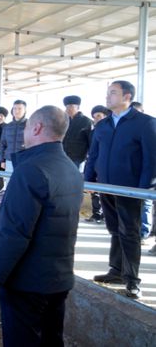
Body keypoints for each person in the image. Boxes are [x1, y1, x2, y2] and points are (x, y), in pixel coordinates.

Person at [0, 105, 83, 347]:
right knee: (51, 339)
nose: (24, 130)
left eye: (26, 126)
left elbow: (13, 233)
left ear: (37, 127)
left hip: (28, 281)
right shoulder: (71, 170)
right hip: (58, 277)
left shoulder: (30, 170)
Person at [84, 81, 156, 299]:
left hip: (130, 189)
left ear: (127, 96)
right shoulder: (103, 125)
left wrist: (142, 189)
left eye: (112, 93)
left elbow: (151, 160)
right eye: (108, 93)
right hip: (106, 187)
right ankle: (116, 271)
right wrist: (88, 181)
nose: (108, 97)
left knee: (130, 233)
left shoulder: (145, 123)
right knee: (114, 229)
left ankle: (132, 280)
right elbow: (93, 155)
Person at [129, 101, 154, 244]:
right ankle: (136, 231)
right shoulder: (131, 129)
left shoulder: (149, 125)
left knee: (146, 204)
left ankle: (144, 233)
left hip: (149, 176)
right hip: (135, 175)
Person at [84, 105, 111, 224]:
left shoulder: (112, 130)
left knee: (108, 193)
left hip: (108, 167)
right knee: (94, 191)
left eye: (99, 116)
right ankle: (97, 214)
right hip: (95, 165)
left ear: (106, 116)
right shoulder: (93, 131)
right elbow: (92, 151)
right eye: (94, 117)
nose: (96, 120)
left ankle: (107, 216)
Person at [0, 100, 27, 185]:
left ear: (25, 110)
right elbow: (2, 144)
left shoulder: (30, 125)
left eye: (19, 108)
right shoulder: (7, 126)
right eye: (14, 108)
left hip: (24, 161)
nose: (16, 111)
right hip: (9, 161)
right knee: (9, 184)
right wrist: (2, 160)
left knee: (23, 184)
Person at [62, 95, 93, 170]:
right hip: (63, 155)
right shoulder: (64, 121)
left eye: (71, 106)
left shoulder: (86, 121)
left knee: (74, 177)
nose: (68, 109)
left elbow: (90, 141)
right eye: (67, 107)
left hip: (77, 157)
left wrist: (89, 156)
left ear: (78, 107)